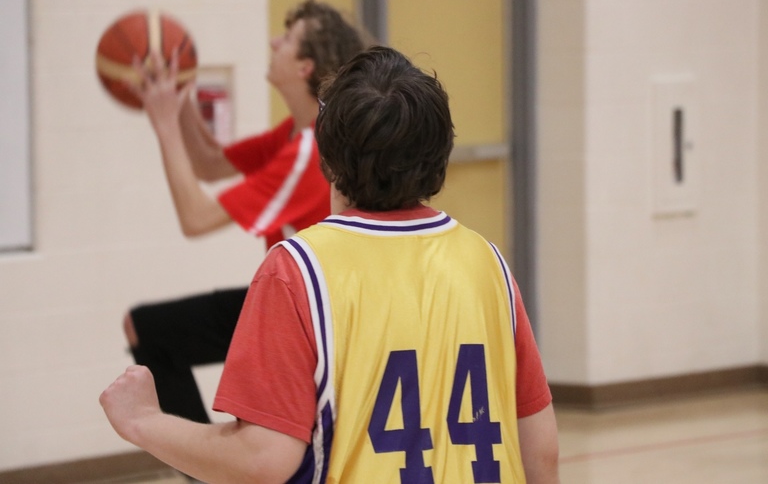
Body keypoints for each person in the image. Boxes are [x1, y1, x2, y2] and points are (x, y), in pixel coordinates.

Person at [101, 46, 560, 483]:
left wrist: (143, 421)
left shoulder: (298, 269)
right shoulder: (490, 264)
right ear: (441, 154)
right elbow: (540, 452)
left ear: (327, 155)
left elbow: (261, 459)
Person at [123, 0, 368, 424]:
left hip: (314, 320)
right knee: (146, 328)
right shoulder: (299, 133)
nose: (274, 41)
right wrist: (179, 100)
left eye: (287, 39)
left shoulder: (310, 150)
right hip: (293, 302)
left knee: (159, 336)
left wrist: (162, 123)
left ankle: (207, 465)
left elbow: (196, 219)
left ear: (305, 67)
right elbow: (209, 163)